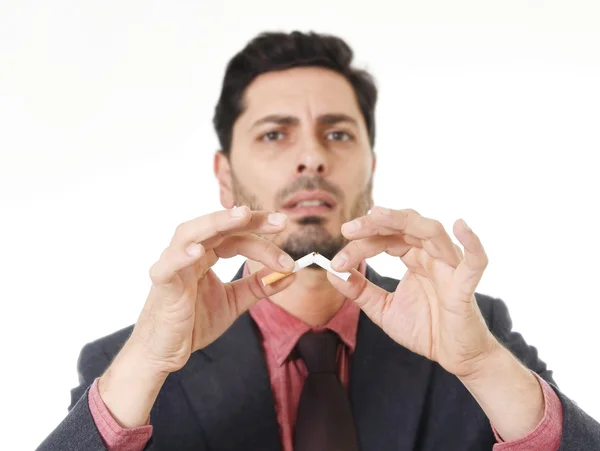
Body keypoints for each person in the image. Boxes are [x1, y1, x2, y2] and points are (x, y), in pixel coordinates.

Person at [37, 31, 600, 451]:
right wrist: (147, 359)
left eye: (337, 133)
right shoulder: (126, 364)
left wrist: (479, 365)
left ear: (369, 168)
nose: (312, 156)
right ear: (225, 173)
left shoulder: (478, 331)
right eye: (275, 134)